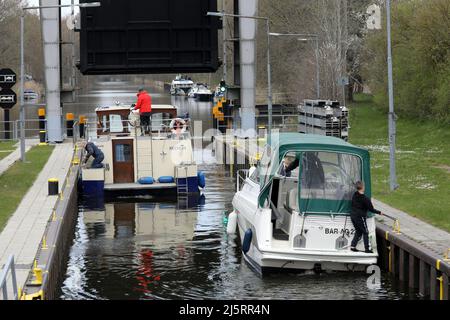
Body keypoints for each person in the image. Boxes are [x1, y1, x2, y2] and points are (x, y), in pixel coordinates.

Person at [350, 181, 382, 253]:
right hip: (360, 217)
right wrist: (379, 212)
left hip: (352, 216)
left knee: (358, 231)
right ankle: (367, 249)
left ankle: (353, 246)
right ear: (363, 187)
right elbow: (371, 209)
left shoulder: (354, 195)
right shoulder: (365, 199)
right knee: (365, 232)